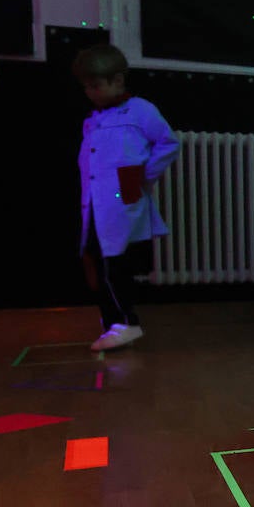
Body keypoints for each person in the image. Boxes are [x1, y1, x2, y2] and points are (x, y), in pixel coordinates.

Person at [72, 44, 179, 351]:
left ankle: (123, 323)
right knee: (97, 259)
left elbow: (168, 143)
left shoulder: (141, 110)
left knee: (114, 263)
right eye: (86, 87)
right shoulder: (93, 120)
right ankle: (113, 321)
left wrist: (143, 175)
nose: (90, 92)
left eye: (96, 85)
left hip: (121, 201)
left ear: (117, 80)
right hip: (96, 203)